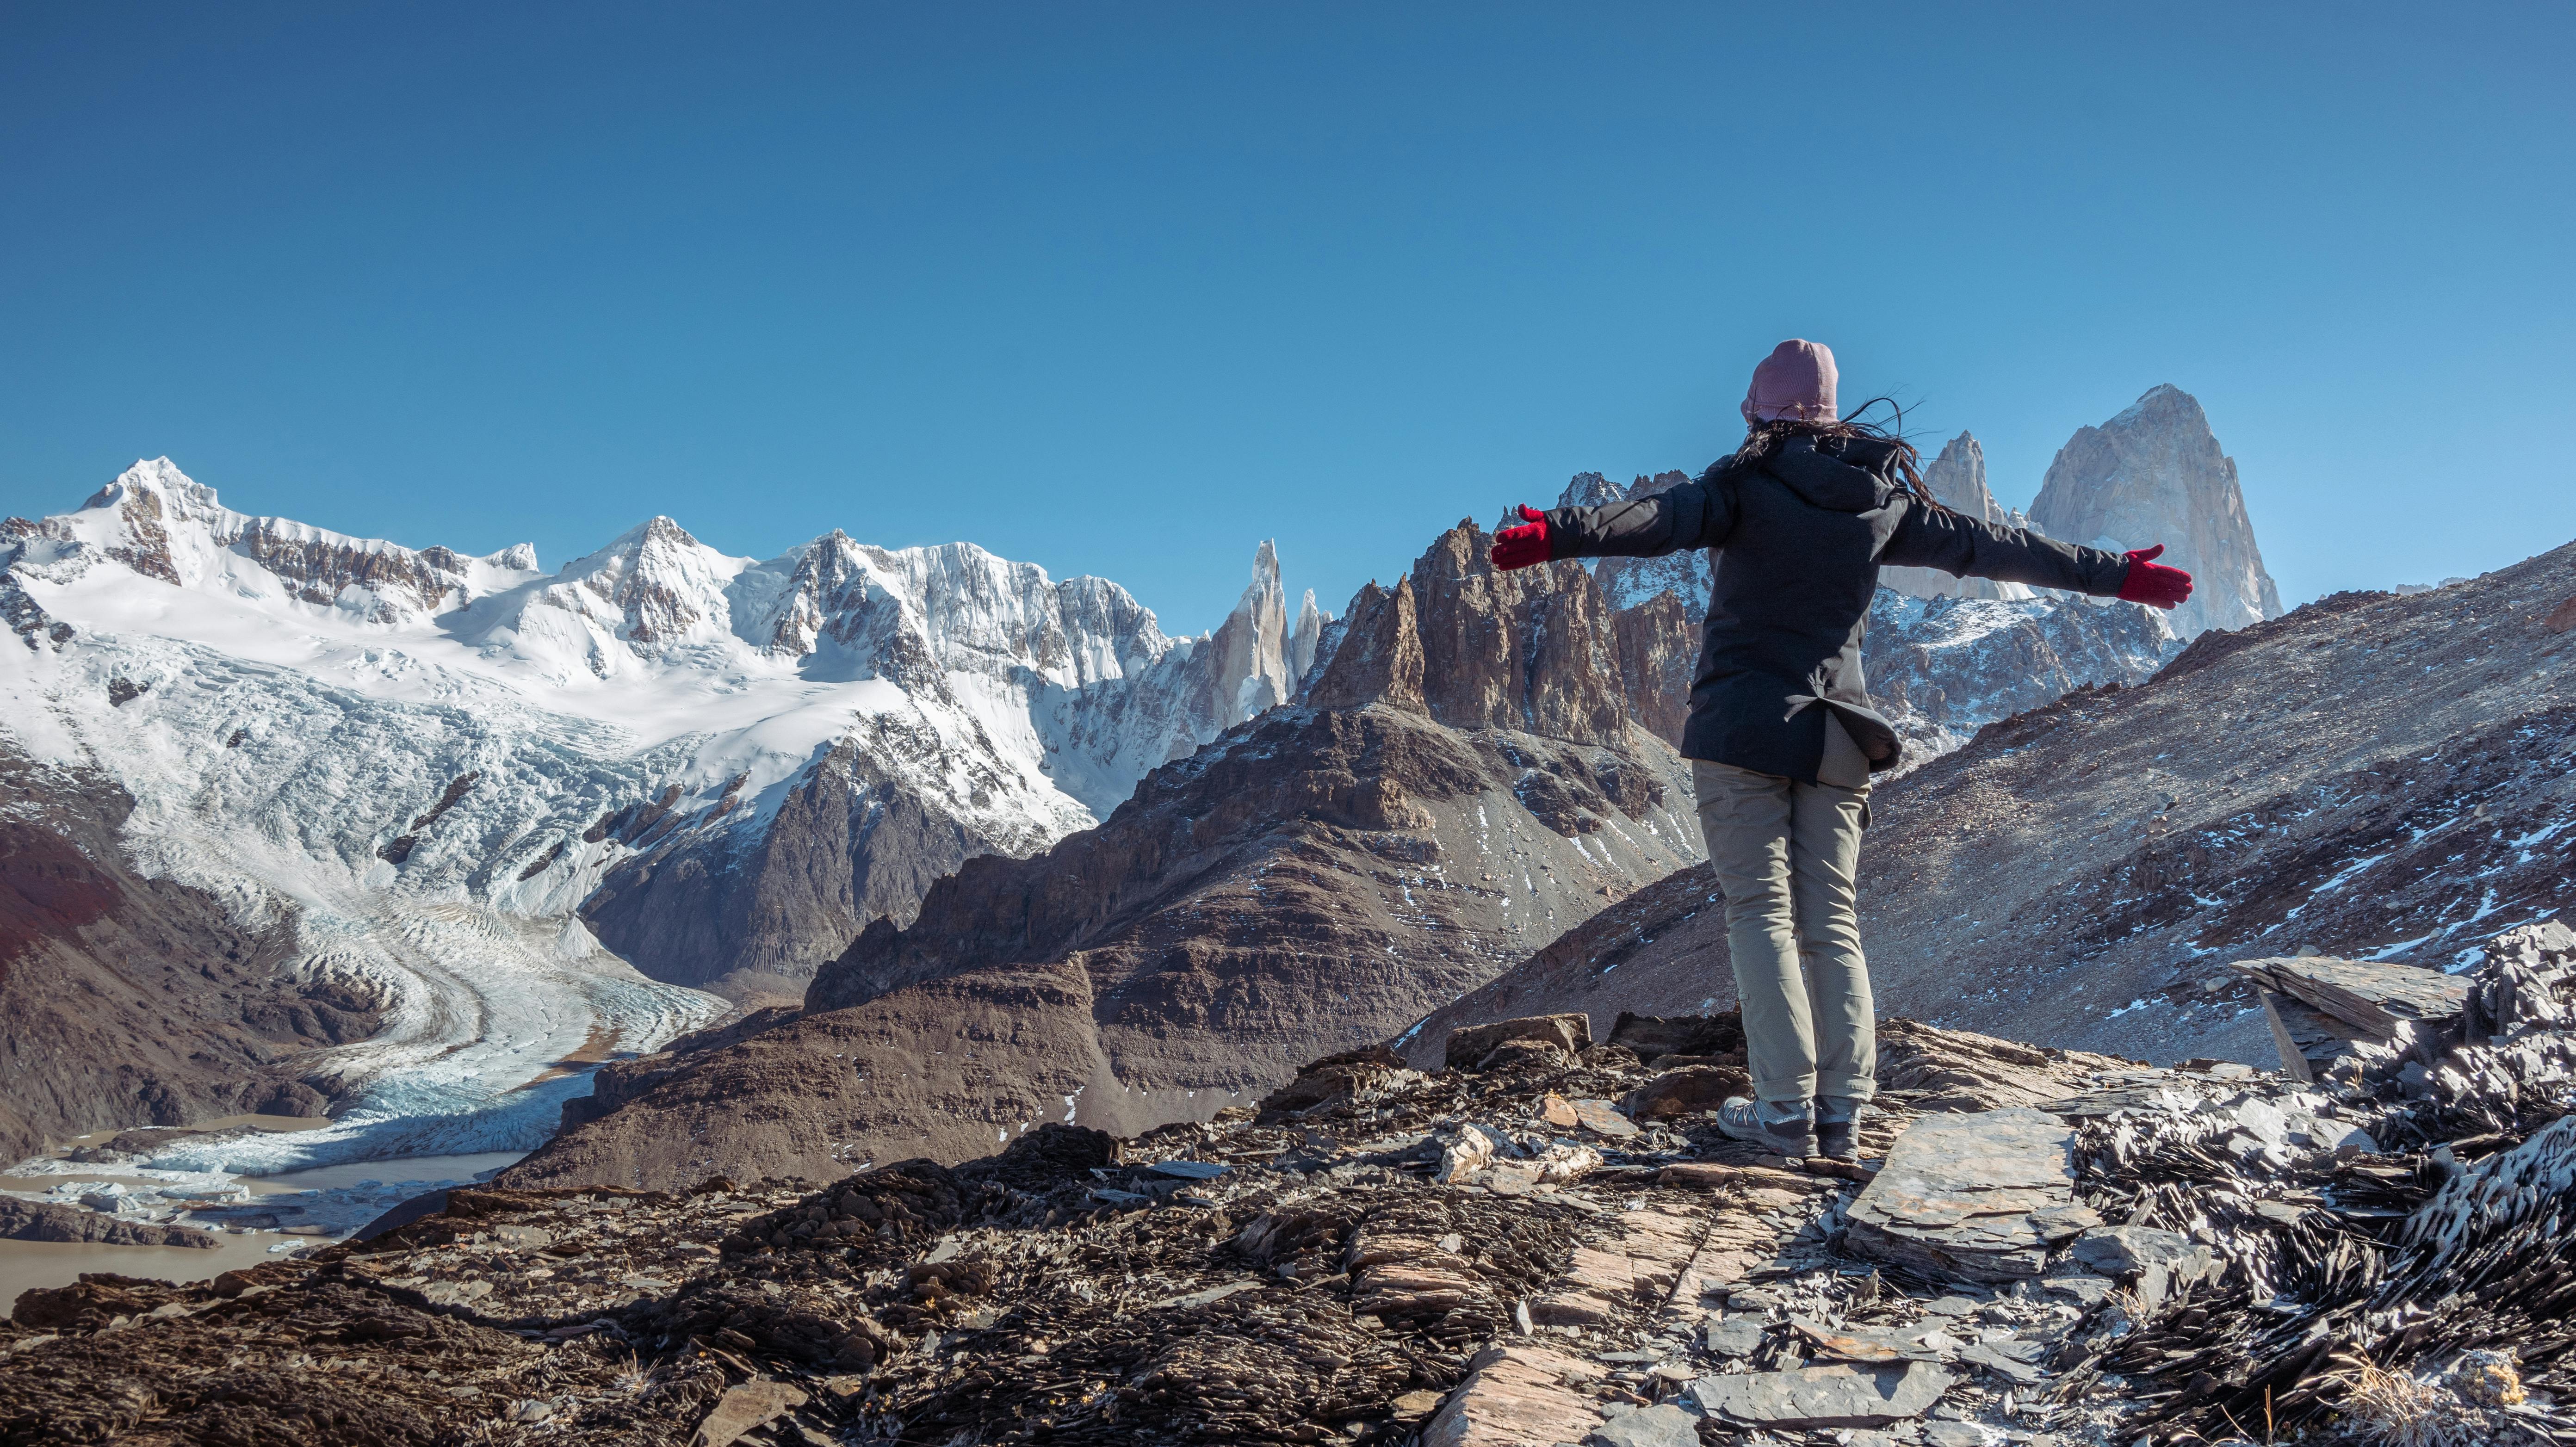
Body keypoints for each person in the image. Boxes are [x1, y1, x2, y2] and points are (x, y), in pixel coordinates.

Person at [1487, 339, 2192, 1161]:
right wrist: (2115, 576)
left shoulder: (1742, 489)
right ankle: (1842, 1115)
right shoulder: (1882, 501)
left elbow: (1661, 518)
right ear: (1831, 412)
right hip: (1839, 739)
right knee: (1834, 923)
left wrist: (1559, 533)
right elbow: (1995, 547)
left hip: (1743, 730)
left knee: (1763, 915)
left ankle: (1783, 1111)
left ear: (1761, 411)